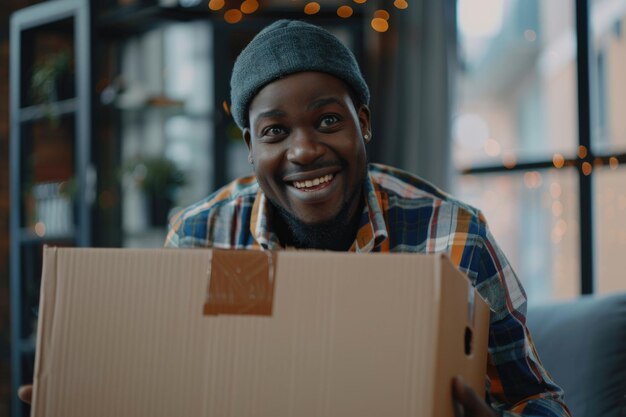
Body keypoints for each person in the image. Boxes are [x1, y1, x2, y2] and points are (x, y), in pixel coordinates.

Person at [21, 20, 570, 417]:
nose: (304, 151)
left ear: (364, 122)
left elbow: (539, 400)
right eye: (275, 132)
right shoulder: (202, 235)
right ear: (250, 146)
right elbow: (172, 384)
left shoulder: (453, 235)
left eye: (328, 121)